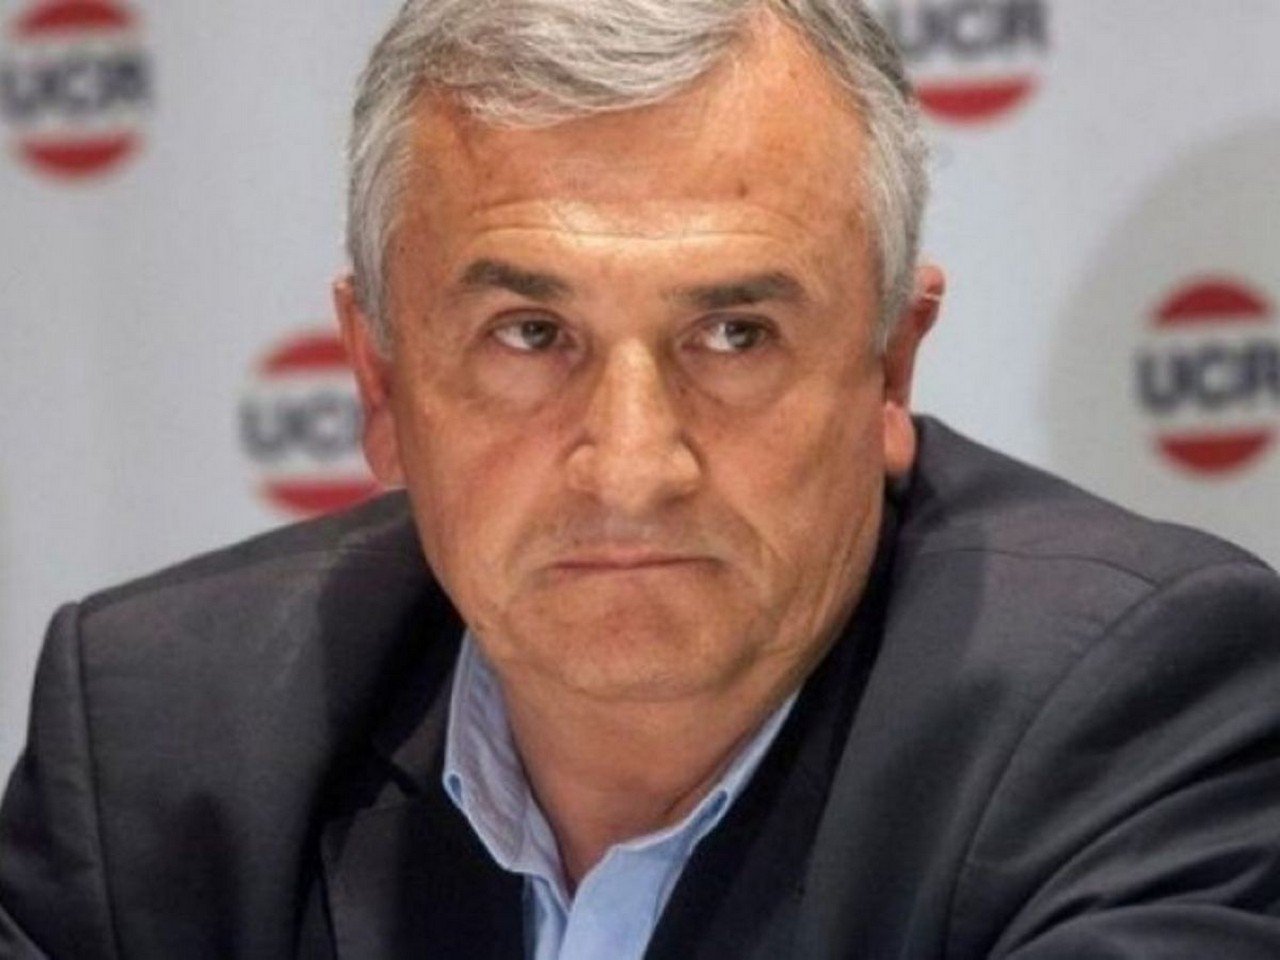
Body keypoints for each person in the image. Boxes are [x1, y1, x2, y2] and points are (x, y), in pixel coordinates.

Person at [3, 0, 1279, 957]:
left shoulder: (1137, 717)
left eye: (732, 335)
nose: (630, 466)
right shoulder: (158, 739)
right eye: (528, 336)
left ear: (888, 370)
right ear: (379, 381)